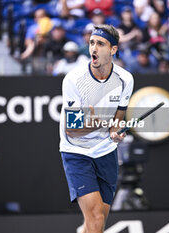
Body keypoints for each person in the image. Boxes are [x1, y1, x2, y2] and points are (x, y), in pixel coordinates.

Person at [59, 24, 134, 233]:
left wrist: (116, 131)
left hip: (106, 152)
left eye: (100, 44)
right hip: (77, 152)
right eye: (92, 43)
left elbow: (118, 117)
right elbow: (72, 130)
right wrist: (102, 123)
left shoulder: (125, 79)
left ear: (113, 50)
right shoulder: (73, 80)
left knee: (98, 221)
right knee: (95, 216)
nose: (94, 48)